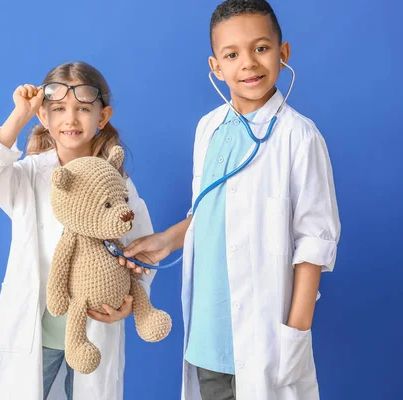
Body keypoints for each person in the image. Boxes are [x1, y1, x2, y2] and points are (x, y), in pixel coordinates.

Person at [122, 1, 341, 398]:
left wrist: (295, 332)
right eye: (232, 54)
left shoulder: (299, 137)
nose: (249, 64)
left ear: (283, 53)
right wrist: (166, 240)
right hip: (209, 335)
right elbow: (209, 210)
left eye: (261, 48)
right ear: (216, 67)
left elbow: (315, 243)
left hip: (265, 339)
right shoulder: (208, 129)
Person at [0, 61, 155, 400]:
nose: (70, 119)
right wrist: (20, 114)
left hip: (95, 328)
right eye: (58, 109)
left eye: (83, 109)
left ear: (102, 117)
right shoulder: (29, 176)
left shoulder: (119, 184)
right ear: (44, 117)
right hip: (35, 334)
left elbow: (143, 252)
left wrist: (130, 301)